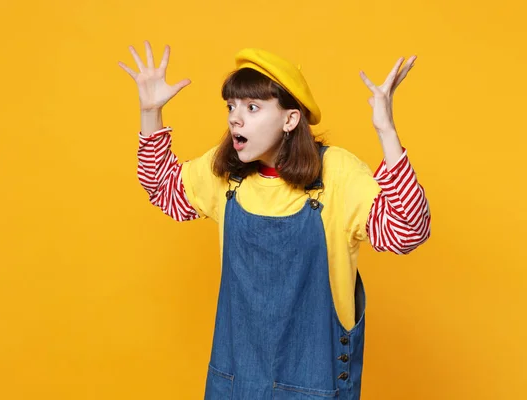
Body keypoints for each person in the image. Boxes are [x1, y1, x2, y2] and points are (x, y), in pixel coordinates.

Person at [120, 41, 431, 400]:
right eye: (231, 106)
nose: (235, 117)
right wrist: (149, 111)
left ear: (290, 119)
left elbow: (408, 231)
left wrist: (386, 131)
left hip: (316, 384)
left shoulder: (337, 174)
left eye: (252, 107)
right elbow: (164, 189)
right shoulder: (226, 175)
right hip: (236, 383)